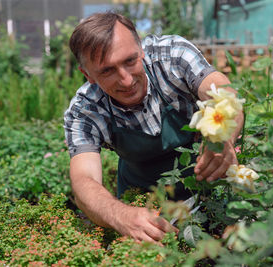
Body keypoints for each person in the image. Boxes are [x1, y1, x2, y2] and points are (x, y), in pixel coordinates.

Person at [64, 12, 244, 244]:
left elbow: (224, 91)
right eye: (107, 71)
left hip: (209, 181)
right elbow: (83, 181)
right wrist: (122, 215)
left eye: (130, 61)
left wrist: (222, 138)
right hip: (144, 202)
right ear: (87, 75)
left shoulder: (172, 56)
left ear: (141, 49)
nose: (126, 80)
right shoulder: (85, 111)